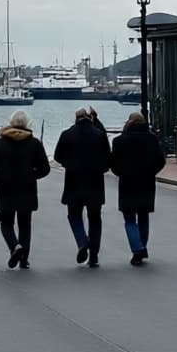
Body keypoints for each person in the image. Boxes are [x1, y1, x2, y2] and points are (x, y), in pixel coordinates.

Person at [0, 109, 50, 269]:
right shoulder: (34, 144)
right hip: (27, 188)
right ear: (27, 124)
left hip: (6, 187)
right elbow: (45, 168)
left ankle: (14, 247)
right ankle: (24, 258)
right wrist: (33, 176)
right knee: (25, 224)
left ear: (11, 122)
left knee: (6, 223)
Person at [53, 107, 112, 267]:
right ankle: (94, 256)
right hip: (95, 182)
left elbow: (58, 155)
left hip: (73, 181)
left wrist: (69, 164)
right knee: (95, 219)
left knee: (74, 215)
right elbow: (108, 158)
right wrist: (100, 169)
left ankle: (82, 241)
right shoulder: (99, 135)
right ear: (88, 118)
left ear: (75, 118)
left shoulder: (67, 135)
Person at [110, 111, 164, 267]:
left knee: (129, 219)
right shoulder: (152, 139)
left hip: (127, 182)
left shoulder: (119, 141)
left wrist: (121, 173)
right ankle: (142, 247)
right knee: (143, 217)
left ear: (129, 123)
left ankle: (137, 248)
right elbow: (161, 160)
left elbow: (113, 164)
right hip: (146, 182)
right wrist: (151, 172)